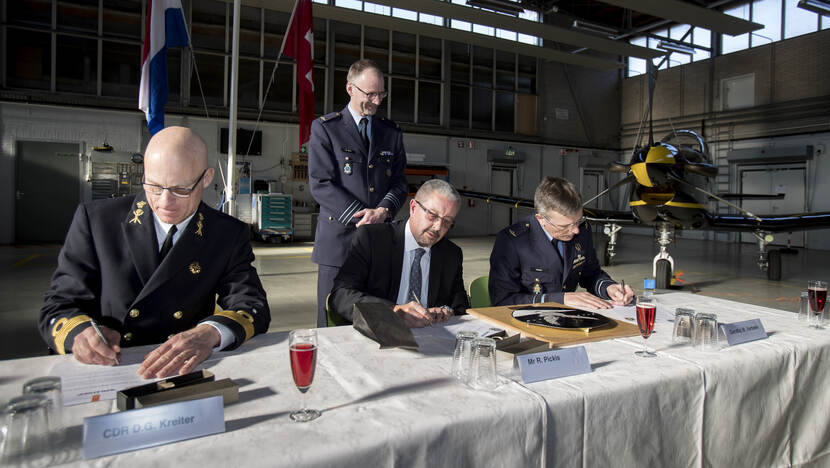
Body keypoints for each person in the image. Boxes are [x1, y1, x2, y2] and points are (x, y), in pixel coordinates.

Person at [38, 126, 270, 378]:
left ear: (206, 178)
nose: (165, 202)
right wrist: (80, 334)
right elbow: (59, 305)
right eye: (155, 186)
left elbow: (250, 304)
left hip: (182, 368)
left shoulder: (226, 233)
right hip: (109, 367)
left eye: (181, 189)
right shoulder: (97, 221)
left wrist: (211, 333)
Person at [308, 59, 408, 327]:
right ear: (350, 89)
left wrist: (383, 210)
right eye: (370, 94)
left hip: (379, 244)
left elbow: (400, 182)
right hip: (338, 246)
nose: (376, 101)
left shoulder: (391, 132)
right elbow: (320, 183)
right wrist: (361, 216)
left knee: (376, 322)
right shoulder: (326, 128)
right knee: (332, 324)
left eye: (381, 94)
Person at [329, 180, 469, 328]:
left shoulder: (451, 254)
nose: (438, 227)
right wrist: (393, 311)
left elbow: (460, 306)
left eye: (447, 222)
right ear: (413, 207)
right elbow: (340, 295)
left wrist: (445, 312)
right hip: (380, 332)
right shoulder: (372, 240)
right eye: (432, 215)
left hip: (431, 335)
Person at [489, 177, 633, 308]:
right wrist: (560, 299)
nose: (575, 230)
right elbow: (503, 300)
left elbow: (591, 273)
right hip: (525, 319)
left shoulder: (582, 231)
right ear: (541, 219)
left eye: (578, 221)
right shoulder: (512, 241)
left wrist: (609, 288)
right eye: (564, 226)